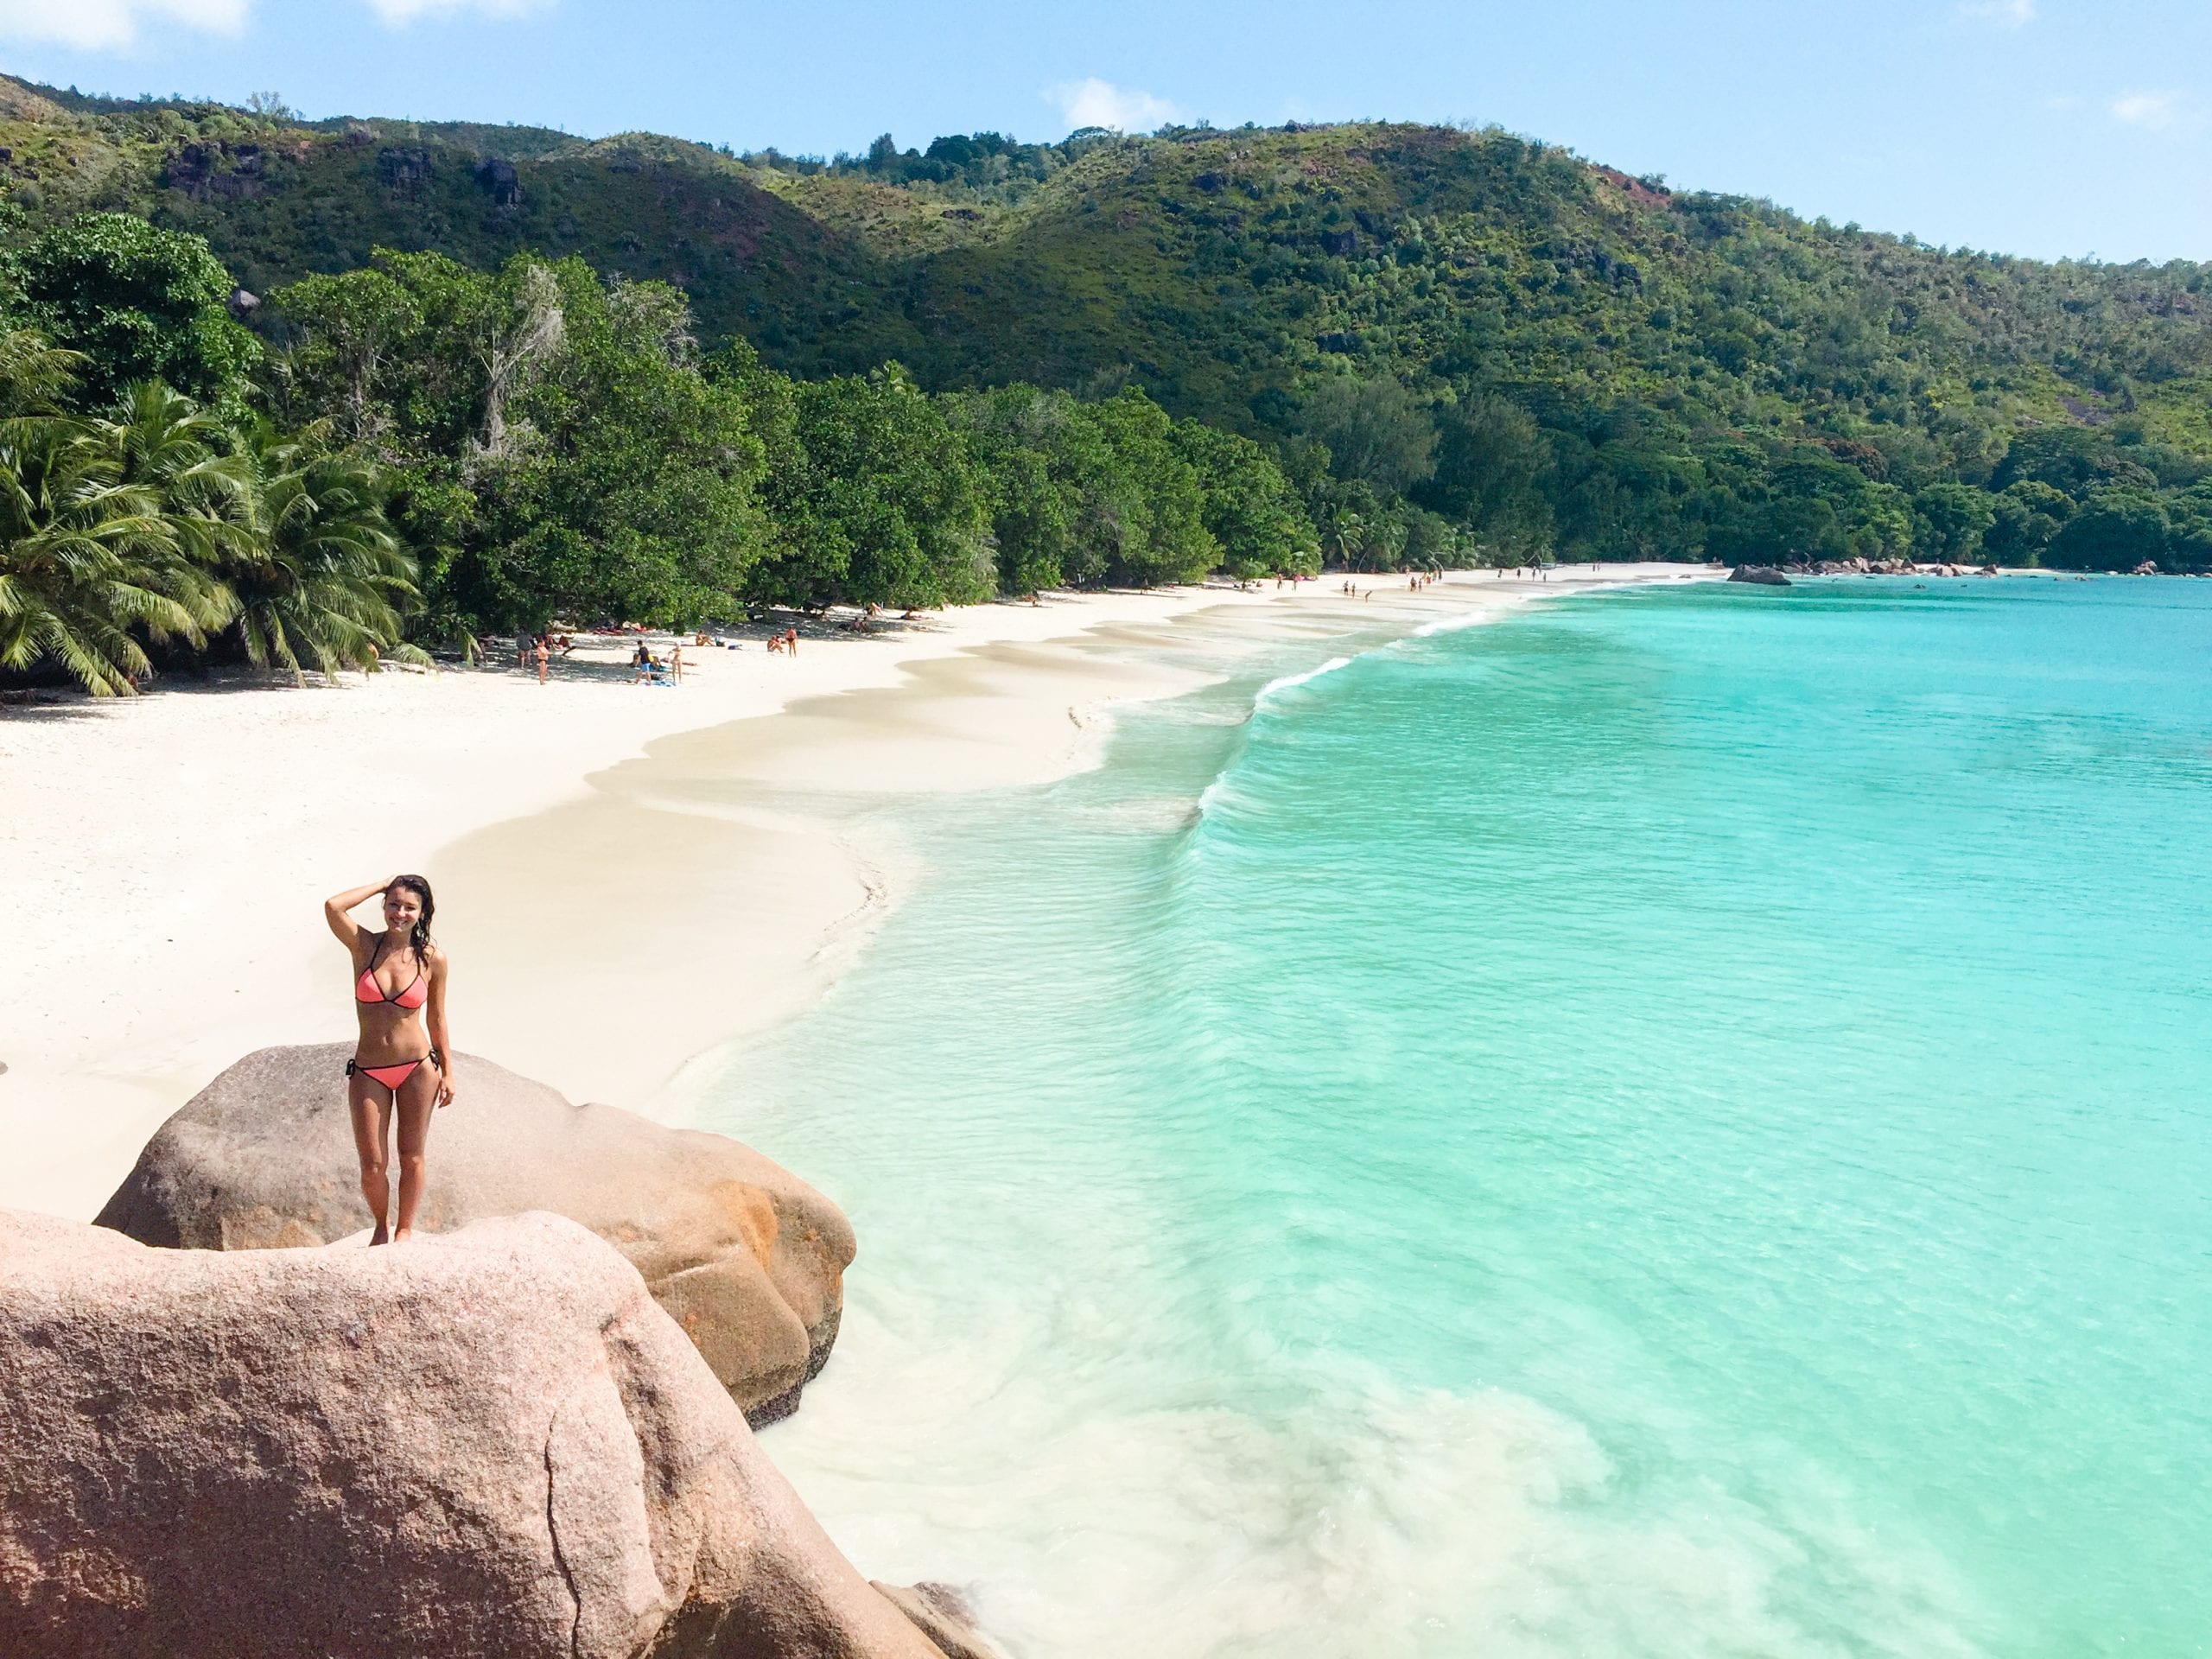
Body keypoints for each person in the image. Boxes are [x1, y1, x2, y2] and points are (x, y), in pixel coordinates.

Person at [323, 876, 453, 1245]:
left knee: (412, 1156)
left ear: (423, 912)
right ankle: (381, 1225)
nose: (400, 913)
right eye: (393, 904)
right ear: (383, 906)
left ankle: (404, 1229)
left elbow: (437, 1018)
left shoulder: (432, 958)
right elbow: (333, 906)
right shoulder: (364, 946)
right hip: (369, 1069)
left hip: (417, 1067)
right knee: (372, 1166)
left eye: (410, 907)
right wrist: (383, 884)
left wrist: (449, 1071)